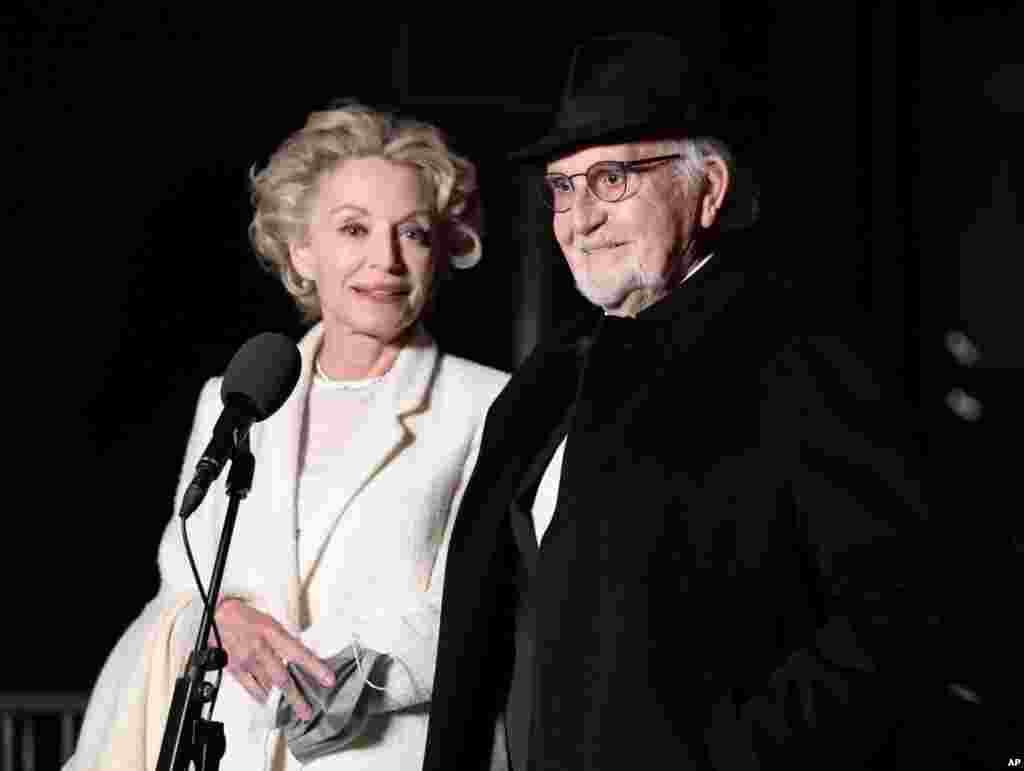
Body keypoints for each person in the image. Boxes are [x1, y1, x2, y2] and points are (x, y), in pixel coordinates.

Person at [422, 33, 999, 770]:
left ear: (710, 187)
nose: (578, 218)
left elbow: (901, 613)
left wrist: (722, 757)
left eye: (612, 179)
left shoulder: (791, 352)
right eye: (563, 188)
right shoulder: (546, 377)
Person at [66, 100, 509, 770]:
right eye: (354, 229)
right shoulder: (232, 395)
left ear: (440, 250)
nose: (384, 260)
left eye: (413, 233)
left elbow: (497, 604)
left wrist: (358, 678)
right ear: (303, 248)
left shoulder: (487, 403)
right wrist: (217, 622)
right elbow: (179, 586)